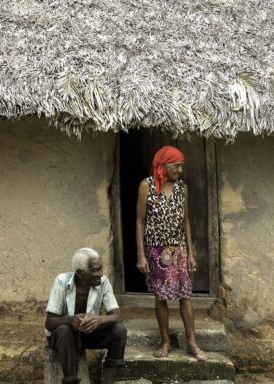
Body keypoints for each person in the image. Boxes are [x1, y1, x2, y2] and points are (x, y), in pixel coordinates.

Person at [135, 145, 208, 361]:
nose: (180, 169)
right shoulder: (145, 186)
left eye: (181, 166)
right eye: (177, 165)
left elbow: (186, 221)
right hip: (156, 250)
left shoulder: (181, 188)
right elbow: (139, 221)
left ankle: (192, 343)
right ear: (165, 165)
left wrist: (191, 252)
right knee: (161, 297)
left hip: (178, 249)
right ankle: (165, 341)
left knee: (185, 295)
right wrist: (140, 254)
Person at [45, 248, 127, 384]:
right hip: (63, 339)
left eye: (101, 269)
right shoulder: (61, 282)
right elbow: (49, 323)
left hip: (89, 335)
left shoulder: (103, 282)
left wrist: (99, 319)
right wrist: (70, 320)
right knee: (64, 330)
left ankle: (108, 382)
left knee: (119, 330)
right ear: (80, 274)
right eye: (95, 270)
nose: (100, 274)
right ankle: (71, 380)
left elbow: (116, 315)